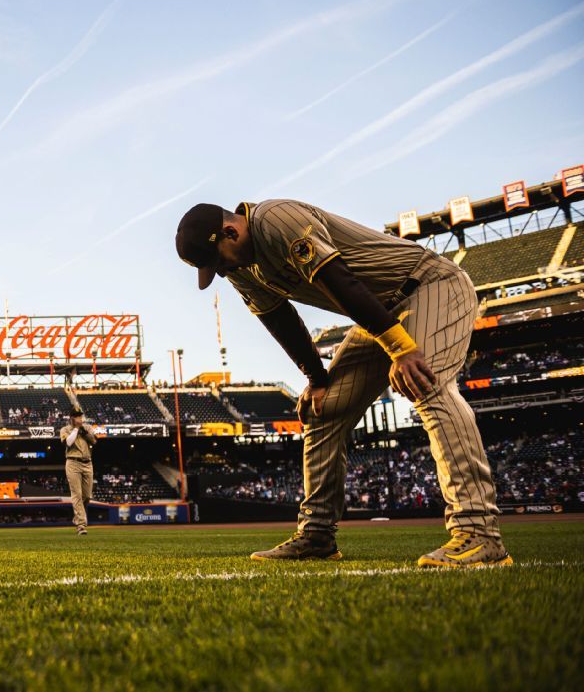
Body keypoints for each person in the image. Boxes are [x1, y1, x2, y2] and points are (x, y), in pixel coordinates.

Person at [175, 200, 511, 568]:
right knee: (323, 408)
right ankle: (317, 534)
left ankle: (479, 533)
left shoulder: (275, 219)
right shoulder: (243, 268)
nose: (222, 272)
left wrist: (402, 349)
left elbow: (340, 281)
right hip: (376, 313)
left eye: (218, 261)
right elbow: (279, 320)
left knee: (426, 386)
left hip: (429, 286)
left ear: (230, 231)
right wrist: (316, 380)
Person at [60, 409, 97, 535]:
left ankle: (77, 518)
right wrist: (76, 429)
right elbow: (68, 443)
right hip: (72, 463)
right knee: (77, 494)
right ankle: (81, 525)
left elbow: (94, 441)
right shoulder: (65, 429)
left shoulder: (87, 427)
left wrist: (84, 431)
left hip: (87, 463)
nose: (79, 419)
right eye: (76, 417)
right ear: (71, 418)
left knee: (86, 496)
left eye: (80, 416)